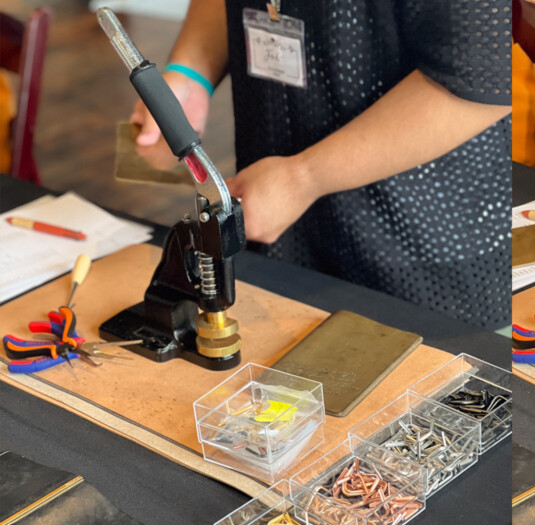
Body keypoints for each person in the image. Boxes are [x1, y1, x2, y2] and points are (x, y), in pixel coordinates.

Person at [131, 0, 512, 329]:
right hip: (283, 232)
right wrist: (191, 71)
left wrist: (304, 177)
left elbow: (483, 82)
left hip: (424, 252)